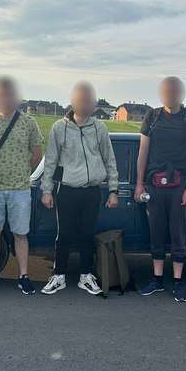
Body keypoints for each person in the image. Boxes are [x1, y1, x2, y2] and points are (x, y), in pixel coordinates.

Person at [40, 81, 119, 296]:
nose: (85, 104)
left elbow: (109, 159)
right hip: (67, 190)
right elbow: (51, 161)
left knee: (87, 233)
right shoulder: (59, 127)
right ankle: (59, 276)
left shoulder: (100, 128)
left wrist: (113, 190)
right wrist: (46, 190)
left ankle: (86, 276)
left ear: (94, 104)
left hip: (92, 190)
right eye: (81, 100)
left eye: (89, 100)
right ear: (73, 102)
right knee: (63, 234)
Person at [134, 77, 186, 303]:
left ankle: (178, 283)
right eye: (166, 90)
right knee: (156, 233)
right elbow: (143, 152)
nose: (170, 94)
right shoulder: (152, 117)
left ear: (181, 93)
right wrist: (139, 183)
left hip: (180, 186)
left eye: (174, 91)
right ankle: (156, 280)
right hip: (154, 185)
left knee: (178, 235)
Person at [0, 76, 43, 295]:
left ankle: (24, 276)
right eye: (2, 95)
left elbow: (37, 155)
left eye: (11, 94)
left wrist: (21, 173)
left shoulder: (29, 122)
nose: (7, 98)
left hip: (20, 189)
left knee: (20, 234)